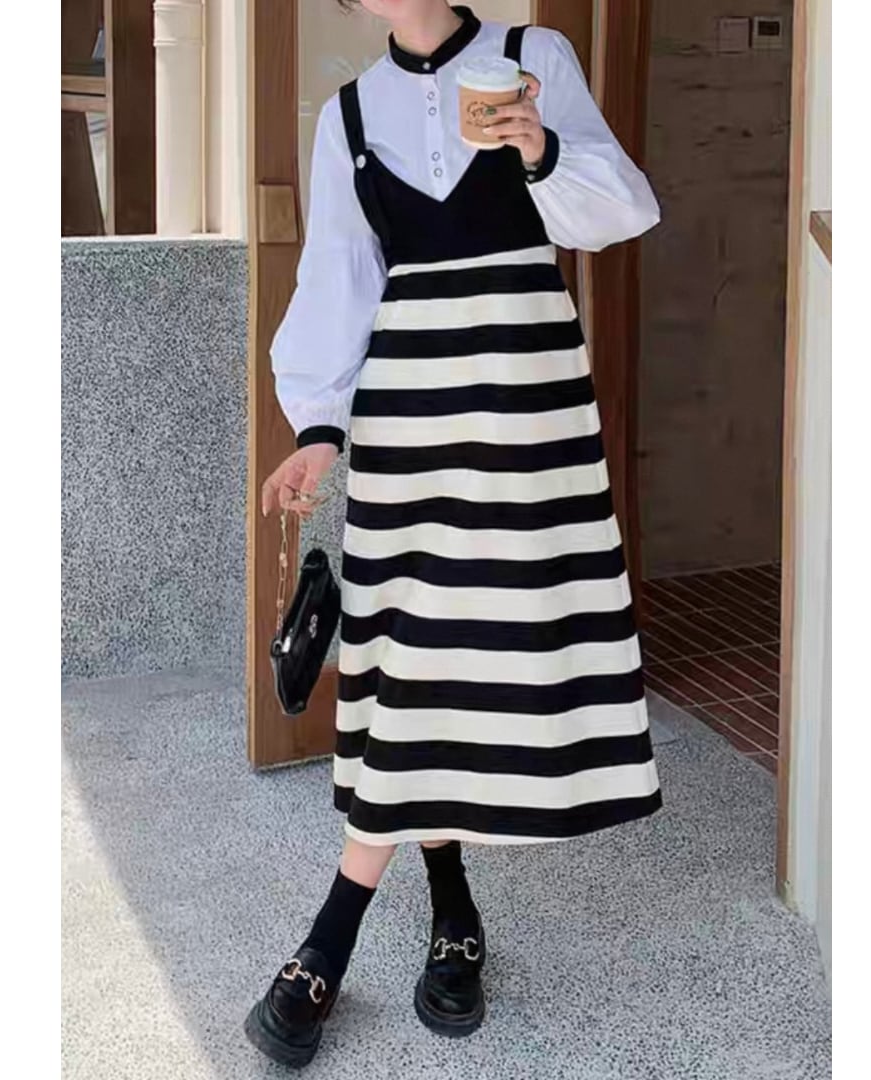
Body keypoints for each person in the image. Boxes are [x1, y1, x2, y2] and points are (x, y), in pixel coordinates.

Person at [245, 1, 663, 1066]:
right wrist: (319, 429)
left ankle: (400, 920)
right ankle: (411, 916)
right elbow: (339, 276)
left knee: (483, 667)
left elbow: (619, 210)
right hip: (410, 423)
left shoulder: (533, 58)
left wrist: (539, 147)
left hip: (527, 415)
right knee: (412, 668)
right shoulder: (348, 115)